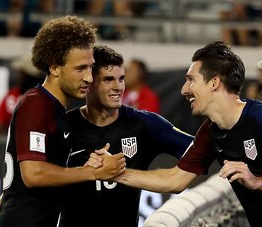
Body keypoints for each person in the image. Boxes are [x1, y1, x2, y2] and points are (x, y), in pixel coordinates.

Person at [116, 41, 262, 227]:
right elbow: (175, 179)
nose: (184, 90)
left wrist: (256, 181)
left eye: (191, 80)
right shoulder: (209, 132)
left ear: (214, 83)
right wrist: (117, 174)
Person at [0, 16, 126, 227]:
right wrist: (93, 172)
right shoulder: (36, 105)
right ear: (55, 68)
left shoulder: (53, 109)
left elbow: (17, 189)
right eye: (80, 68)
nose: (89, 77)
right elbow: (33, 174)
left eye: (90, 67)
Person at [59, 45, 193, 227]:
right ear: (88, 82)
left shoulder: (144, 125)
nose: (118, 87)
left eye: (121, 79)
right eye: (108, 80)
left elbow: (198, 149)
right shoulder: (64, 125)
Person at [0, 53, 45, 136]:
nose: (19, 77)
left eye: (22, 73)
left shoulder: (46, 98)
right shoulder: (12, 96)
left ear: (29, 76)